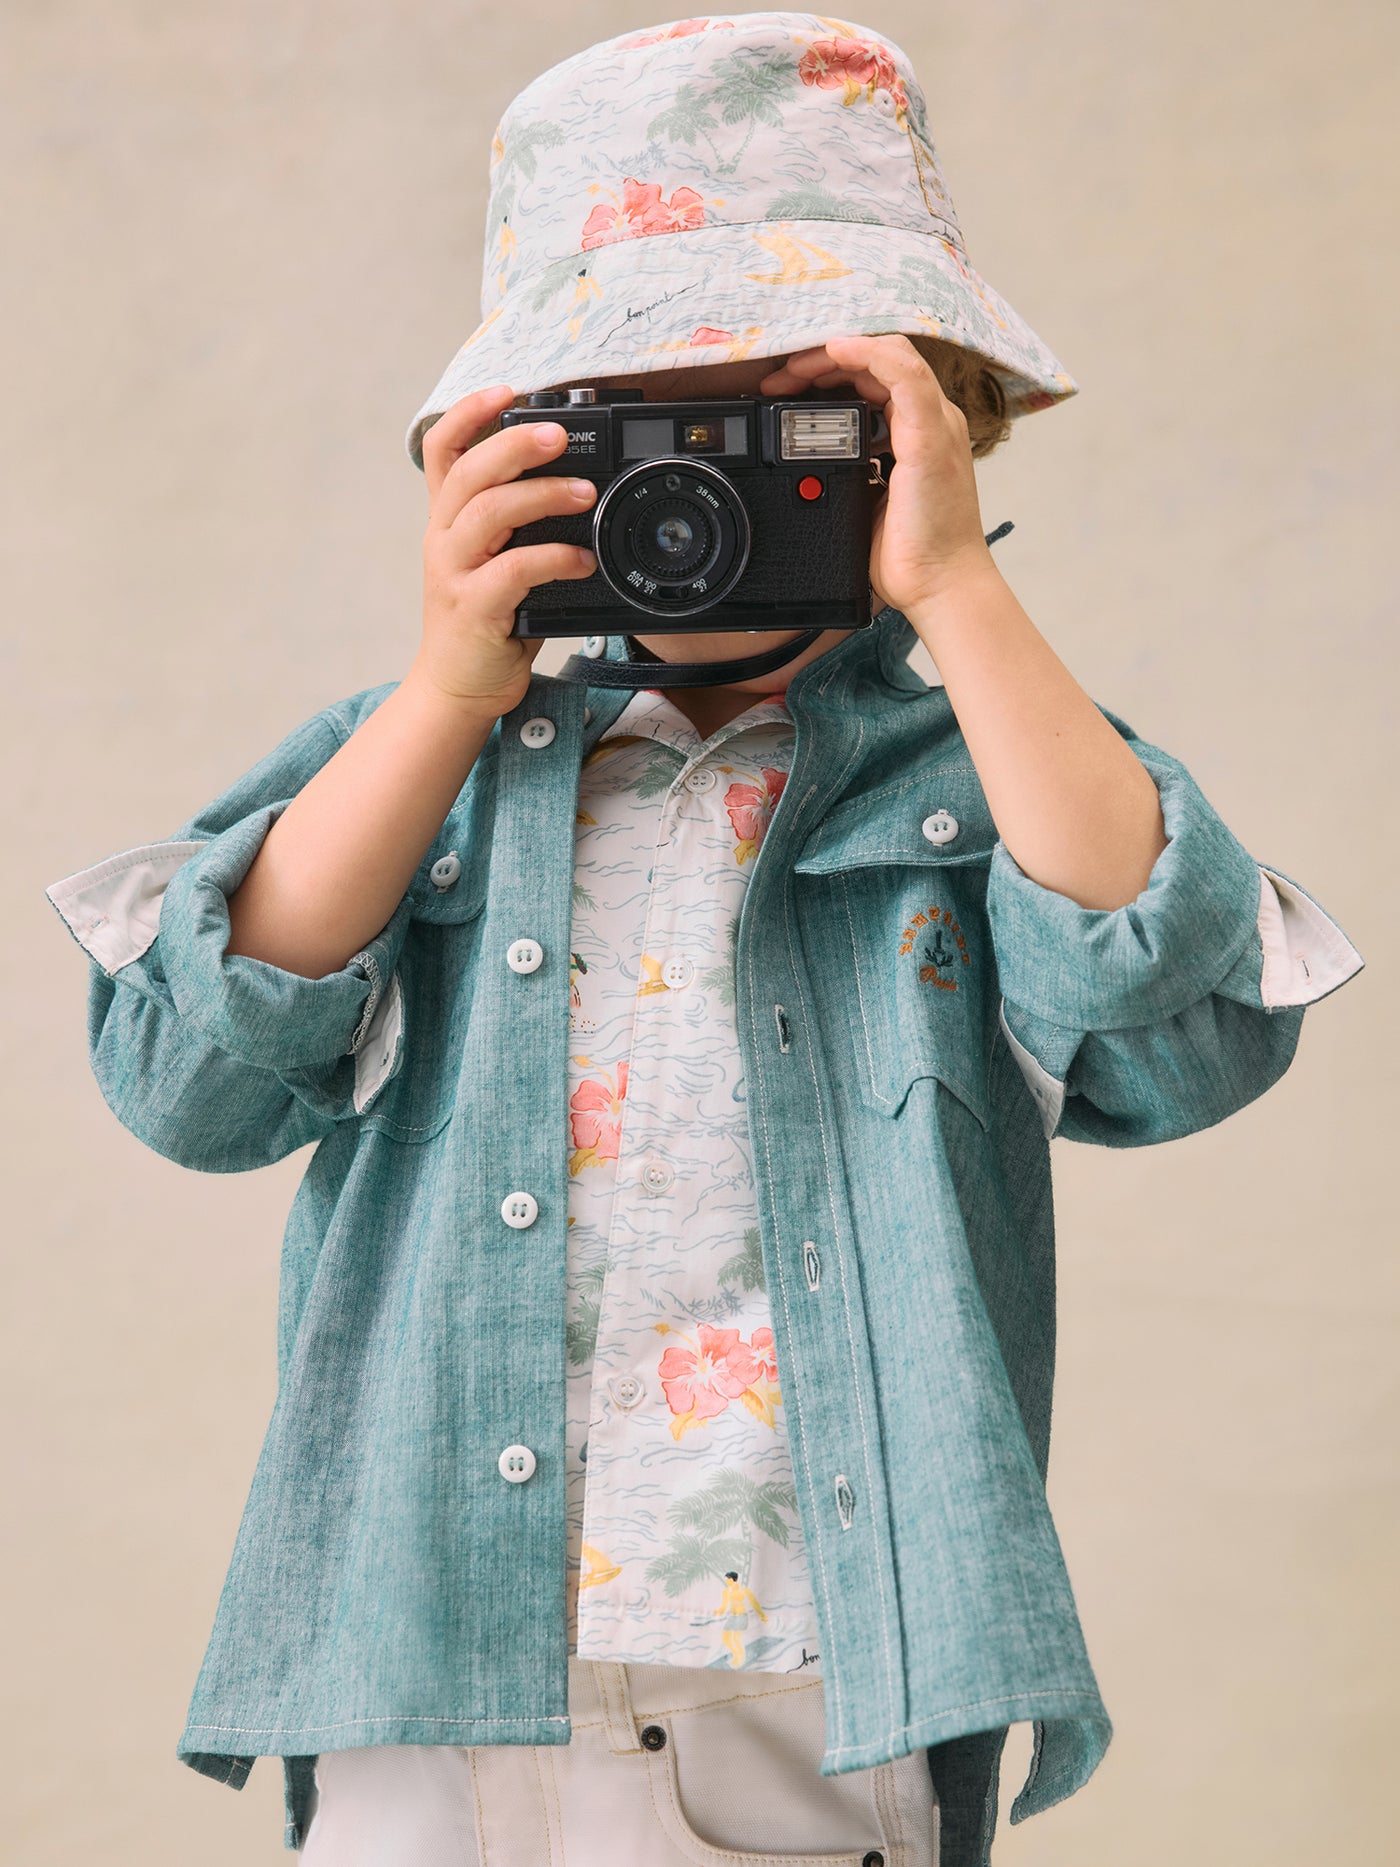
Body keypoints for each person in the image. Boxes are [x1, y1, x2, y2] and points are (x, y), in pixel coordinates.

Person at [42, 14, 1365, 1867]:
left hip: (811, 1676)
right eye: (641, 427)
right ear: (518, 444)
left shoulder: (976, 766)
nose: (705, 499)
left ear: (930, 430)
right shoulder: (430, 762)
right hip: (422, 1643)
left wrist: (958, 589)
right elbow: (192, 1076)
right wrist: (442, 682)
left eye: (779, 433)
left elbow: (1164, 1011)